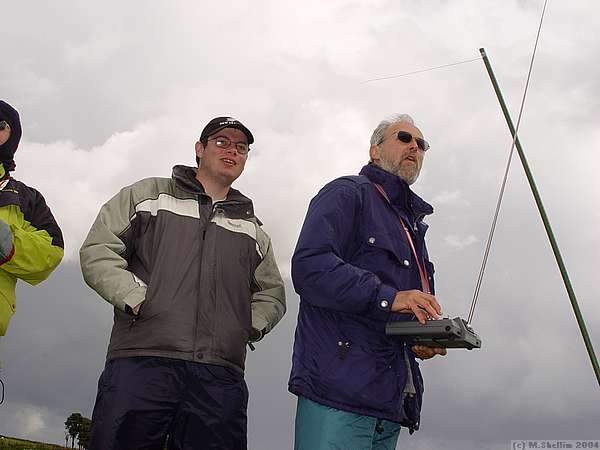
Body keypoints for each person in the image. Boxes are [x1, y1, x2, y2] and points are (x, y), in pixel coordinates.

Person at [80, 116, 286, 450]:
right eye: (222, 142)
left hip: (220, 376)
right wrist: (139, 300)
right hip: (142, 362)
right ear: (199, 149)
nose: (232, 151)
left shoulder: (253, 230)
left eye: (242, 147)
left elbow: (272, 293)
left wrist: (244, 326)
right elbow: (99, 250)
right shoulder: (147, 196)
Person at [289, 114, 446, 449]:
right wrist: (391, 298)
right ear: (375, 150)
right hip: (338, 393)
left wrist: (420, 336)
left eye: (422, 145)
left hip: (390, 403)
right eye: (404, 138)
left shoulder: (411, 226)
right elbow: (310, 267)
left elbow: (397, 305)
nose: (414, 148)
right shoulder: (347, 193)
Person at [0, 99, 64, 344]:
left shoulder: (27, 199)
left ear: (12, 134)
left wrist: (6, 243)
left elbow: (52, 252)